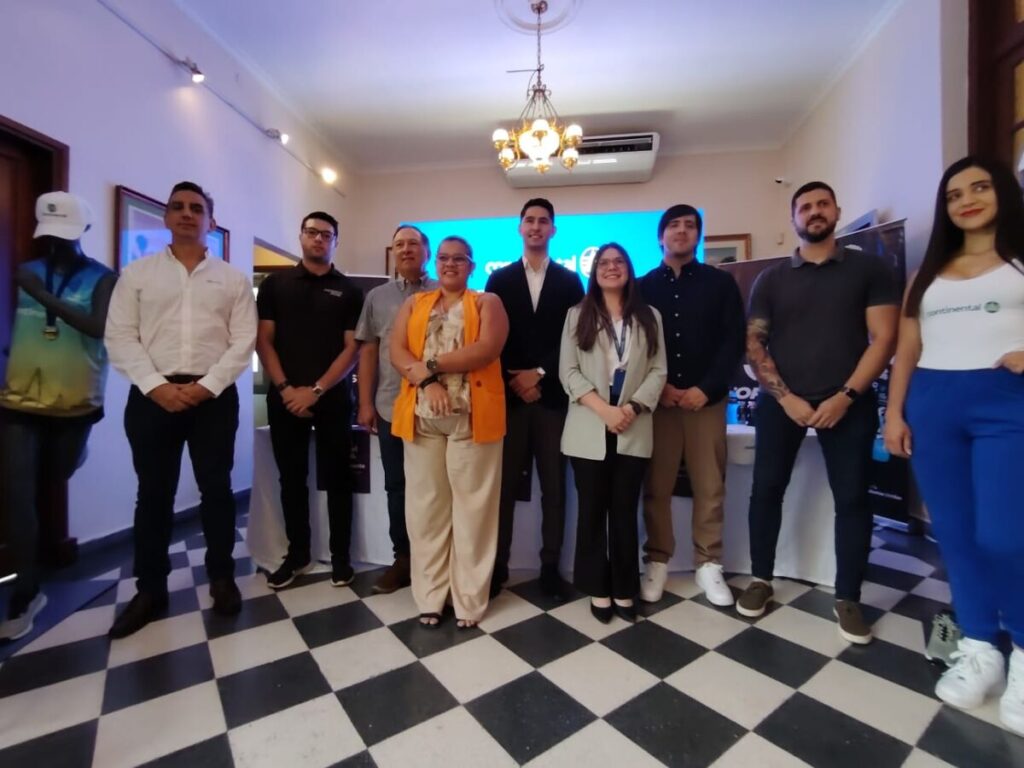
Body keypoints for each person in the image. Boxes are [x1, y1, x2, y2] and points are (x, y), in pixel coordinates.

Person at [883, 156, 1024, 734]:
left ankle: (1023, 650)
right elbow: (907, 349)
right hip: (933, 403)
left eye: (980, 188)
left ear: (1002, 193)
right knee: (957, 535)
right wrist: (894, 413)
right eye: (955, 194)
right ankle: (980, 647)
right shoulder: (928, 273)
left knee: (1005, 534)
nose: (967, 200)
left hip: (1005, 404)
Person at [739, 180, 898, 645]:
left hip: (848, 403)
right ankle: (761, 579)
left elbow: (884, 338)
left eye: (822, 204)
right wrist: (785, 397)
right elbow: (755, 344)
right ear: (793, 218)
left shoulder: (868, 269)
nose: (814, 212)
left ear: (836, 211)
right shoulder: (772, 279)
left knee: (852, 498)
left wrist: (845, 396)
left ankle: (848, 598)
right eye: (805, 206)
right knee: (766, 490)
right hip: (781, 403)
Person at [104, 181, 256, 638]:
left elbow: (243, 341)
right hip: (153, 397)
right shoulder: (137, 275)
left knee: (217, 490)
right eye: (178, 207)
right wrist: (156, 387)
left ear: (210, 220)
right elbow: (120, 336)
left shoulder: (231, 279)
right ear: (166, 217)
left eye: (196, 208)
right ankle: (150, 590)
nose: (187, 214)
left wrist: (206, 387)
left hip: (214, 399)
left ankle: (222, 578)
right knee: (153, 495)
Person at [0, 192, 116, 641]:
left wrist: (42, 295)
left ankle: (72, 453)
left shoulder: (102, 278)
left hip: (75, 402)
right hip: (19, 400)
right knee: (18, 493)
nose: (58, 243)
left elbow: (98, 328)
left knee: (57, 472)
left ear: (82, 230)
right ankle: (25, 592)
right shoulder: (26, 270)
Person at [390, 236, 508, 628]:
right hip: (422, 417)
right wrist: (428, 382)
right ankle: (430, 597)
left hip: (472, 420)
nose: (450, 264)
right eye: (443, 258)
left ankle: (468, 601)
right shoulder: (414, 304)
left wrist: (430, 365)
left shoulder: (487, 302)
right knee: (426, 510)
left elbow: (486, 349)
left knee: (473, 511)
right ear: (435, 263)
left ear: (472, 266)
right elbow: (397, 352)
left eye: (459, 259)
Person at [637, 204, 745, 605]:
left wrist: (707, 387)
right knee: (656, 485)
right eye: (673, 225)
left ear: (698, 236)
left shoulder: (721, 284)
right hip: (659, 402)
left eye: (689, 226)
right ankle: (657, 559)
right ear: (660, 236)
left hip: (706, 402)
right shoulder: (642, 287)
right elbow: (635, 346)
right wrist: (659, 388)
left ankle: (708, 563)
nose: (681, 231)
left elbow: (732, 341)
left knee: (710, 484)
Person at [256, 212, 363, 590]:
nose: (319, 239)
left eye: (326, 234)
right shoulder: (275, 285)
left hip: (333, 398)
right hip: (285, 398)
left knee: (339, 478)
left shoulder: (350, 290)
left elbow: (352, 349)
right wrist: (287, 388)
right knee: (291, 478)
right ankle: (298, 554)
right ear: (301, 236)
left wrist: (315, 390)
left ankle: (341, 558)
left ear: (335, 241)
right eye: (312, 232)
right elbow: (263, 341)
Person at [560, 243, 666, 623]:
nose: (611, 267)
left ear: (629, 269)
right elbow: (568, 371)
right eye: (604, 263)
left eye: (619, 261)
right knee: (591, 511)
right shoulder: (577, 315)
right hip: (589, 424)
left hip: (632, 425)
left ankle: (624, 587)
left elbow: (659, 370)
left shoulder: (650, 316)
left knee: (624, 510)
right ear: (595, 272)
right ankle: (597, 588)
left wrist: (631, 408)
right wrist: (604, 410)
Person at [485, 198, 584, 600]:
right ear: (520, 228)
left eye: (544, 221)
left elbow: (575, 337)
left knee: (555, 488)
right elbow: (491, 336)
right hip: (509, 397)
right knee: (503, 488)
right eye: (530, 220)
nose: (536, 226)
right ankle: (497, 567)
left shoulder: (570, 281)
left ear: (553, 230)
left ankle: (550, 567)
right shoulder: (499, 279)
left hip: (552, 398)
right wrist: (517, 379)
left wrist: (539, 373)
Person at [355, 225, 437, 594]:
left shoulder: (444, 291)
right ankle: (402, 559)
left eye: (413, 244)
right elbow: (368, 350)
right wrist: (365, 402)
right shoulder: (377, 297)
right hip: (391, 406)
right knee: (397, 486)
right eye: (400, 244)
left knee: (436, 487)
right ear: (393, 252)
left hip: (438, 407)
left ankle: (435, 559)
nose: (406, 249)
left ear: (427, 251)